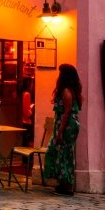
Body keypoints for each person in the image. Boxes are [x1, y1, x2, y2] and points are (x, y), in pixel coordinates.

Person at [44, 63, 82, 196]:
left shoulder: (66, 92)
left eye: (60, 73)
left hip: (67, 126)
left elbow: (66, 113)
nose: (58, 76)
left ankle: (67, 185)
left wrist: (60, 131)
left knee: (64, 153)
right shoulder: (70, 90)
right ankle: (62, 183)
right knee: (60, 152)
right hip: (67, 124)